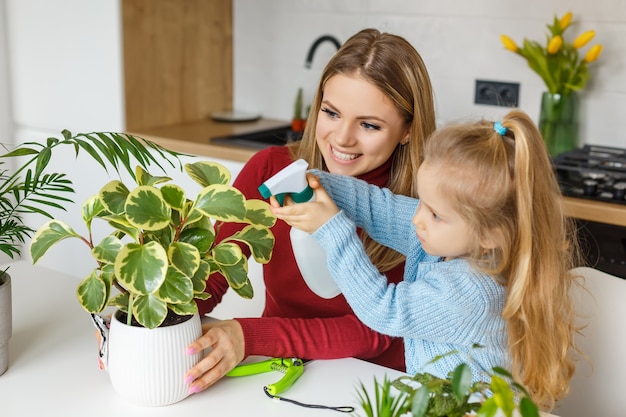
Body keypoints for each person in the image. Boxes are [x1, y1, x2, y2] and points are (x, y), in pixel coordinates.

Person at [270, 109, 581, 411]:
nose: (418, 219)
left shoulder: (473, 291)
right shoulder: (444, 238)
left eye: (435, 213)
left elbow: (385, 309)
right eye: (422, 202)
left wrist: (332, 229)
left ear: (490, 235)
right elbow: (381, 208)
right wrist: (319, 183)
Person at [184, 28, 437, 394]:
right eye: (331, 113)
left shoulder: (422, 208)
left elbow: (376, 333)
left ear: (407, 130)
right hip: (278, 368)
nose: (342, 138)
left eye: (369, 125)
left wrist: (248, 335)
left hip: (377, 385)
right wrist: (146, 324)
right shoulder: (270, 171)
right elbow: (211, 275)